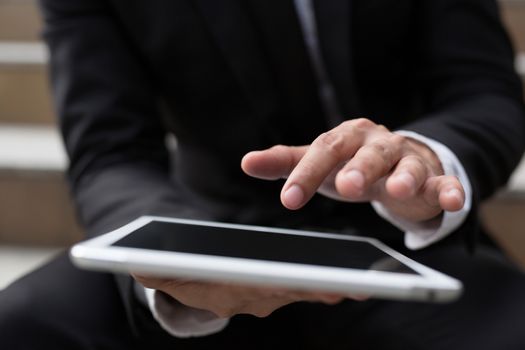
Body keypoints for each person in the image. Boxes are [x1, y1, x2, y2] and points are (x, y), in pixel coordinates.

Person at [1, 0, 525, 348]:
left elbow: (484, 92)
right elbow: (111, 152)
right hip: (209, 233)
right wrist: (176, 252)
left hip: (408, 243)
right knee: (22, 323)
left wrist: (422, 158)